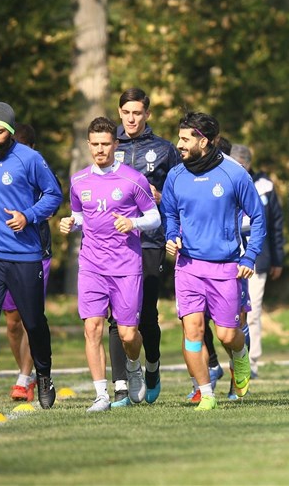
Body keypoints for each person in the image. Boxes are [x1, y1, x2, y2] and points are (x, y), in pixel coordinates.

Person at [162, 111, 266, 411]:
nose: (178, 144)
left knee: (226, 334)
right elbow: (169, 213)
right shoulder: (175, 175)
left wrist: (250, 256)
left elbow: (258, 217)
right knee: (192, 331)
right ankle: (206, 392)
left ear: (203, 141)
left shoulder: (234, 174)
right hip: (188, 268)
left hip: (226, 268)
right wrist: (172, 234)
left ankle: (240, 356)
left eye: (185, 139)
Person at [61, 117, 160, 412]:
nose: (100, 150)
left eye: (106, 144)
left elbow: (154, 218)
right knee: (92, 328)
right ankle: (101, 395)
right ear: (88, 145)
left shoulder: (133, 180)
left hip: (126, 266)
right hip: (91, 265)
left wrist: (133, 222)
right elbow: (82, 216)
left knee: (129, 334)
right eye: (96, 145)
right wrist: (71, 222)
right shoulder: (79, 181)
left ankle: (132, 366)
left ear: (115, 145)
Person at [0, 103, 62, 412]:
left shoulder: (30, 159)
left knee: (33, 322)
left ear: (10, 131)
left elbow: (53, 195)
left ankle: (44, 376)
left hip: (25, 255)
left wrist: (29, 216)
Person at [108, 87, 181, 407]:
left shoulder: (164, 149)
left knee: (147, 314)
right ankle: (121, 386)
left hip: (151, 240)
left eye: (138, 112)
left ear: (146, 114)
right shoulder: (109, 147)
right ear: (120, 113)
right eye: (126, 112)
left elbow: (179, 191)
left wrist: (162, 197)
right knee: (118, 317)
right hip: (116, 242)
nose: (132, 118)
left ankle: (152, 368)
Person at [2, 123, 57, 402]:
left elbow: (54, 200)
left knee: (29, 317)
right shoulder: (2, 167)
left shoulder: (38, 169)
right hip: (4, 253)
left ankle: (25, 377)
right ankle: (27, 372)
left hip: (37, 253)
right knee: (12, 322)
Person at [232, 143, 286, 379]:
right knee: (231, 313)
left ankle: (251, 363)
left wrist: (278, 258)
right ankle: (234, 358)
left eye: (243, 163)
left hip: (258, 259)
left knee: (251, 312)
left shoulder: (264, 186)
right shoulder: (222, 182)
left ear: (250, 164)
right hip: (227, 258)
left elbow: (275, 224)